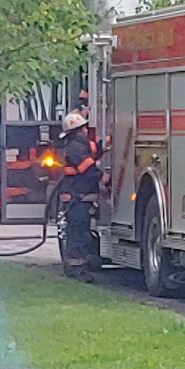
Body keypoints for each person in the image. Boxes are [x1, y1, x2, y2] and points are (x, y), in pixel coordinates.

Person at [59, 111, 109, 283]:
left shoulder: (79, 145)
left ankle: (78, 266)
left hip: (79, 197)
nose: (87, 130)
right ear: (79, 130)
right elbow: (87, 169)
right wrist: (103, 177)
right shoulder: (75, 147)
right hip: (76, 198)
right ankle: (75, 269)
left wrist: (105, 144)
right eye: (84, 128)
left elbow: (93, 153)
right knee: (78, 234)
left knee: (80, 232)